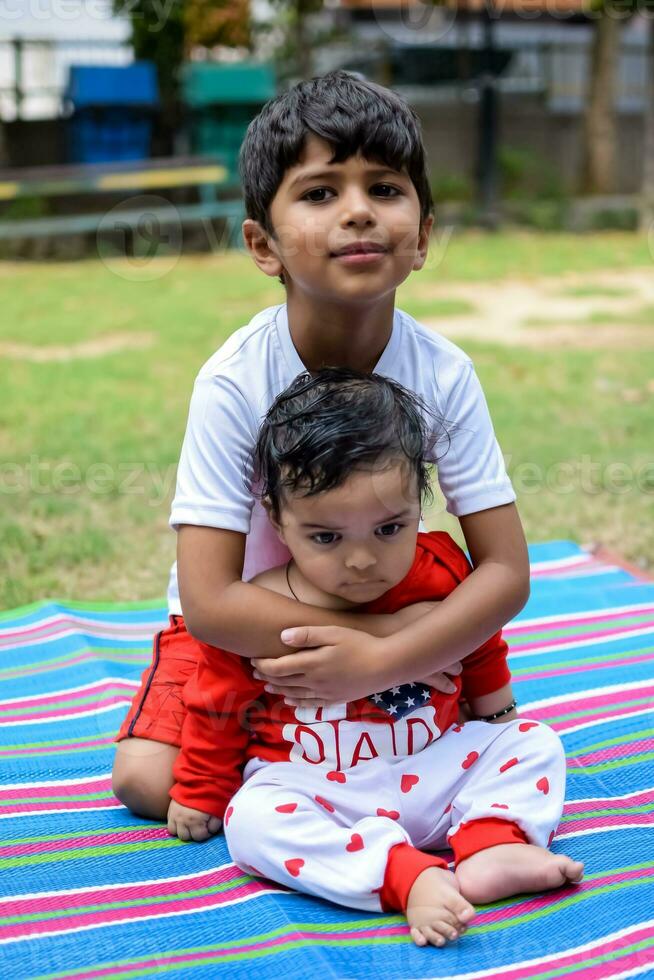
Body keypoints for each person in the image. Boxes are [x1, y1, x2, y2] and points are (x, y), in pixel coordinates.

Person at [112, 70, 532, 826]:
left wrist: (382, 658)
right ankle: (316, 772)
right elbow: (209, 602)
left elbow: (505, 571)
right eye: (319, 193)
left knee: (489, 746)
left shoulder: (444, 373)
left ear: (424, 235)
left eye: (385, 188)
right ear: (262, 245)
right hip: (255, 628)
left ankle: (328, 769)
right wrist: (385, 645)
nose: (359, 213)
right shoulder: (234, 383)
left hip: (404, 605)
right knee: (149, 781)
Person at [166, 369, 584, 949]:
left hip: (433, 764)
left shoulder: (440, 570)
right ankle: (401, 877)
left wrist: (496, 717)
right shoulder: (261, 605)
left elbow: (479, 644)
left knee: (533, 742)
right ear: (277, 517)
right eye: (327, 538)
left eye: (390, 528)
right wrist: (200, 788)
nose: (362, 560)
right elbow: (218, 700)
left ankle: (492, 844)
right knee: (253, 822)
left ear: (421, 502)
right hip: (317, 786)